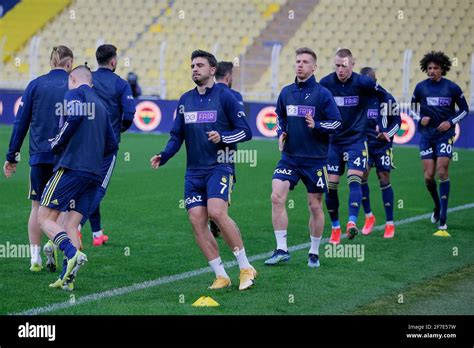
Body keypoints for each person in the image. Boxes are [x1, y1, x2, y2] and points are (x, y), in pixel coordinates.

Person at [150, 50, 256, 291]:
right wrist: (164, 155)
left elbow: (246, 131)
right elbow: (177, 135)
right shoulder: (185, 99)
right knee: (197, 220)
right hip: (194, 172)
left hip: (220, 165)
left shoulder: (226, 97)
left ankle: (245, 267)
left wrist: (223, 137)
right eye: (192, 66)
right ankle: (221, 275)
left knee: (217, 213)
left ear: (212, 70)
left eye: (199, 65)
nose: (195, 69)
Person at [38, 65, 117, 290]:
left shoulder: (74, 93)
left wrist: (57, 142)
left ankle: (72, 253)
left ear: (72, 78)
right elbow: (111, 145)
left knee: (44, 218)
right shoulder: (101, 106)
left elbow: (73, 116)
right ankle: (67, 279)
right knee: (72, 224)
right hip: (93, 174)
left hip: (72, 167)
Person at [264, 47, 342, 267]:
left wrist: (316, 125)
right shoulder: (286, 92)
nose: (300, 65)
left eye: (306, 62)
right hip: (289, 158)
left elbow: (336, 123)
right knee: (277, 196)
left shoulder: (322, 94)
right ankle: (281, 249)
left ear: (314, 67)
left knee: (315, 206)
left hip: (316, 161)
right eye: (298, 61)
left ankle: (314, 252)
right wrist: (281, 133)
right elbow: (279, 116)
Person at [3, 46, 73, 272]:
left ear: (51, 62)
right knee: (61, 207)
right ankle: (55, 243)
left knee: (37, 206)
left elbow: (20, 123)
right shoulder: (74, 85)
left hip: (39, 156)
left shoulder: (35, 85)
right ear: (69, 63)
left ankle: (34, 258)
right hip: (64, 157)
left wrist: (12, 155)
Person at [320, 48, 392, 245]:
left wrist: (384, 125)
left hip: (356, 141)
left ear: (352, 64)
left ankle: (351, 223)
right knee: (331, 186)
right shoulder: (326, 83)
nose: (340, 69)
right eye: (337, 65)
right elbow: (317, 105)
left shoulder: (364, 82)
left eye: (344, 65)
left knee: (355, 179)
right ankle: (335, 228)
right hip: (334, 142)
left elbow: (385, 97)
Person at [78, 44, 136, 247]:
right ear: (113, 61)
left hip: (83, 143)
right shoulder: (120, 84)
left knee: (87, 186)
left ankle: (97, 234)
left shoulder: (87, 79)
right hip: (106, 145)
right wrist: (119, 129)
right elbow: (129, 114)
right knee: (98, 188)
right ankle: (76, 226)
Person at [411, 51, 469, 237]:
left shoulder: (452, 88)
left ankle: (443, 218)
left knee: (442, 171)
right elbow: (412, 108)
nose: (432, 71)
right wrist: (420, 118)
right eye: (429, 68)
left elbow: (465, 110)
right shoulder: (420, 88)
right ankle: (437, 205)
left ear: (442, 69)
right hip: (427, 136)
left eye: (435, 68)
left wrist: (451, 122)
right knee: (428, 177)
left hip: (445, 135)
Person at [359, 67, 401, 238]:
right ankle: (369, 216)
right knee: (361, 176)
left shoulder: (387, 99)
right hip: (365, 144)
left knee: (383, 178)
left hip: (383, 145)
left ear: (374, 81)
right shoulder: (360, 99)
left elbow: (397, 121)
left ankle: (390, 223)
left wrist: (387, 134)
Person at [209, 61, 244, 237]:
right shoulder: (235, 95)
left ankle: (214, 218)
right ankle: (218, 218)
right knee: (226, 184)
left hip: (203, 150)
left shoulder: (207, 94)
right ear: (229, 77)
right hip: (226, 151)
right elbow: (241, 125)